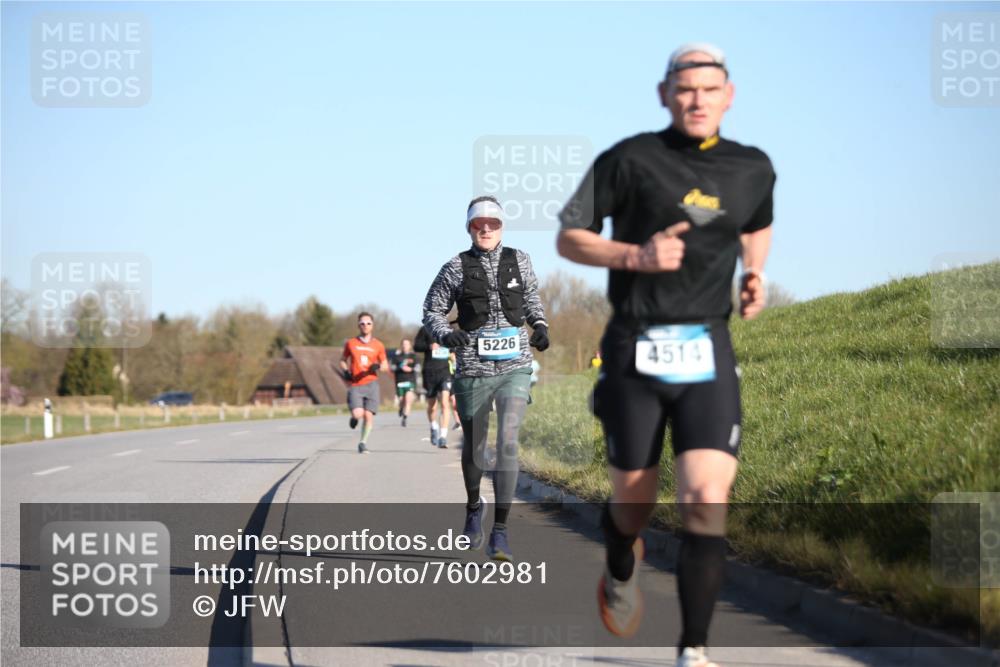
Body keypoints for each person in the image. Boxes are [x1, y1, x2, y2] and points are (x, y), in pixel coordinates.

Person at [556, 43, 773, 667]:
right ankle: (621, 562)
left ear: (729, 96)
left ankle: (693, 650)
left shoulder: (752, 167)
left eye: (710, 89)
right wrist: (633, 256)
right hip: (634, 345)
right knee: (633, 504)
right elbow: (570, 238)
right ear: (664, 94)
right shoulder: (630, 159)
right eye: (685, 89)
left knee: (706, 499)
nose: (697, 99)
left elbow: (756, 221)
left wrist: (754, 272)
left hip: (708, 343)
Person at [423, 195, 549, 562]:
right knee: (477, 447)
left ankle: (501, 532)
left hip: (515, 366)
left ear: (501, 227)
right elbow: (431, 309)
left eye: (492, 223)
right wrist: (446, 335)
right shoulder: (455, 268)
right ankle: (474, 507)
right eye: (479, 224)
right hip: (473, 369)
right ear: (470, 228)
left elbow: (531, 299)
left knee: (508, 440)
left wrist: (539, 326)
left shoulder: (520, 260)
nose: (486, 229)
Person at [339, 312, 389, 454]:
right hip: (356, 384)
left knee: (368, 415)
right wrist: (345, 371)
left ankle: (363, 442)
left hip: (372, 383)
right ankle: (354, 419)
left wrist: (378, 366)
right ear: (358, 325)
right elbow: (342, 360)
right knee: (358, 414)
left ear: (372, 326)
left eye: (368, 323)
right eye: (362, 323)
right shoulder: (351, 343)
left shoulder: (378, 345)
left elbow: (385, 365)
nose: (365, 326)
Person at [414, 324, 454, 447]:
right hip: (429, 371)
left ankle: (443, 436)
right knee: (432, 405)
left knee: (445, 403)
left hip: (445, 372)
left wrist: (454, 356)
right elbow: (416, 347)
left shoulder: (449, 329)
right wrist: (429, 346)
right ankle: (433, 426)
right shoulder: (425, 329)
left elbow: (454, 349)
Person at [392, 338, 418, 427]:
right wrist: (400, 368)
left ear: (410, 346)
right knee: (402, 400)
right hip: (400, 381)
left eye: (407, 344)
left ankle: (405, 418)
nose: (405, 345)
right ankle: (401, 408)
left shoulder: (413, 356)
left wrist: (411, 369)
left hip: (410, 381)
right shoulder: (397, 357)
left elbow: (418, 367)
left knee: (408, 400)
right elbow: (392, 368)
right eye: (403, 344)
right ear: (401, 345)